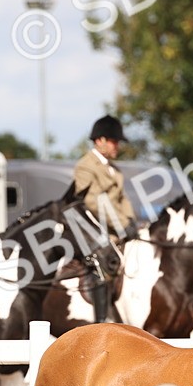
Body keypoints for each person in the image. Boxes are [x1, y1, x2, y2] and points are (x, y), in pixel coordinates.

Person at [74, 115, 138, 322]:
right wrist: (122, 224)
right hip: (92, 228)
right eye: (113, 141)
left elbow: (123, 199)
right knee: (101, 263)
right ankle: (101, 320)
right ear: (99, 140)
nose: (116, 146)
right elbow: (93, 202)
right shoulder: (85, 166)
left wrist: (131, 221)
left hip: (116, 228)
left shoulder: (114, 169)